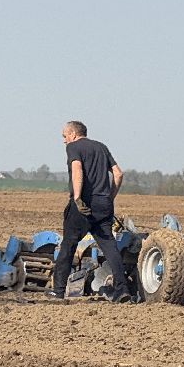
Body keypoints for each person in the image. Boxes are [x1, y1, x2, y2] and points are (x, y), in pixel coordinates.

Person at [49, 120, 131, 302]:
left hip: (83, 205)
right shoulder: (102, 147)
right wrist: (109, 197)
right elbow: (118, 174)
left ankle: (59, 290)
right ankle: (122, 289)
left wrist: (77, 197)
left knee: (69, 244)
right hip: (104, 205)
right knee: (109, 246)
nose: (64, 140)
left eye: (64, 136)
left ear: (73, 134)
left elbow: (77, 169)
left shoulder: (73, 147)